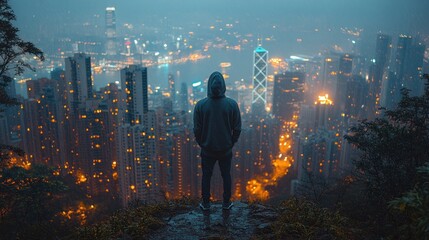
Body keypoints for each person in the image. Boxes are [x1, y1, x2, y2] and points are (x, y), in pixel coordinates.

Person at [193, 71, 241, 211]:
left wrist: (202, 143)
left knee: (206, 177)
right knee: (226, 175)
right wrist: (231, 142)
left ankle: (206, 203)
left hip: (207, 150)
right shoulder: (232, 104)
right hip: (225, 150)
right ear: (223, 86)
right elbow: (237, 128)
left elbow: (197, 129)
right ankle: (226, 203)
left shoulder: (200, 105)